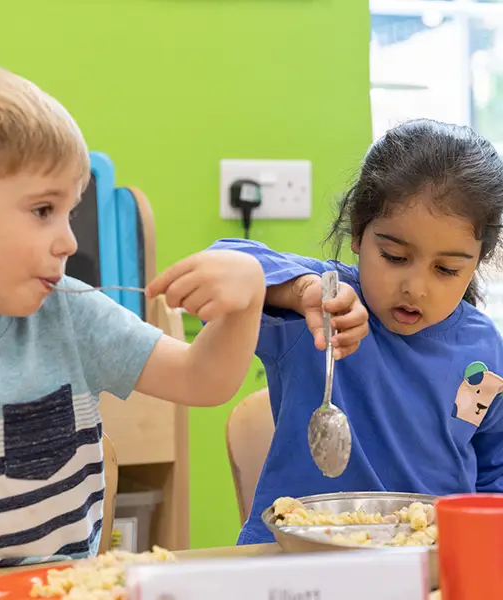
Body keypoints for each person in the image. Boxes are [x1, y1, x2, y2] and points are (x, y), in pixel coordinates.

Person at [0, 56, 265, 571]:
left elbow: (202, 380)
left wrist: (246, 298)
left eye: (69, 212)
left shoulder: (68, 313)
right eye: (42, 211)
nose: (69, 241)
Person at [211, 119, 503, 545]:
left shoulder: (483, 347)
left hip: (428, 567)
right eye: (394, 256)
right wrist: (301, 292)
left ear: (478, 261)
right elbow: (219, 266)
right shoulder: (323, 304)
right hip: (297, 559)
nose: (415, 287)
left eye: (446, 269)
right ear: (357, 232)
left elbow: (495, 468)